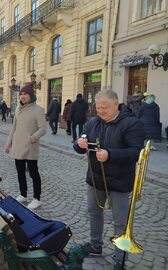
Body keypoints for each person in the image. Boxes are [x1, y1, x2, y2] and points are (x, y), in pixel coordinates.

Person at [73, 90, 145, 270]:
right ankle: (95, 245)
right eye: (98, 107)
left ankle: (119, 259)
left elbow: (136, 152)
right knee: (94, 213)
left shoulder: (132, 123)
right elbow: (80, 144)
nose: (100, 111)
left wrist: (110, 155)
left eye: (104, 107)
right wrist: (78, 144)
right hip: (95, 179)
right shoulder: (92, 122)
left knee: (120, 221)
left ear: (116, 104)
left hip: (120, 181)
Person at [4, 84, 47, 210]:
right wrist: (8, 144)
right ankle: (23, 194)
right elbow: (14, 128)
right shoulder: (18, 109)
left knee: (33, 173)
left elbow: (43, 129)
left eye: (25, 94)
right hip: (18, 145)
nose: (22, 96)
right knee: (20, 172)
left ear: (31, 95)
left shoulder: (38, 110)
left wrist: (32, 138)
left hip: (30, 146)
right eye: (21, 94)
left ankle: (37, 198)